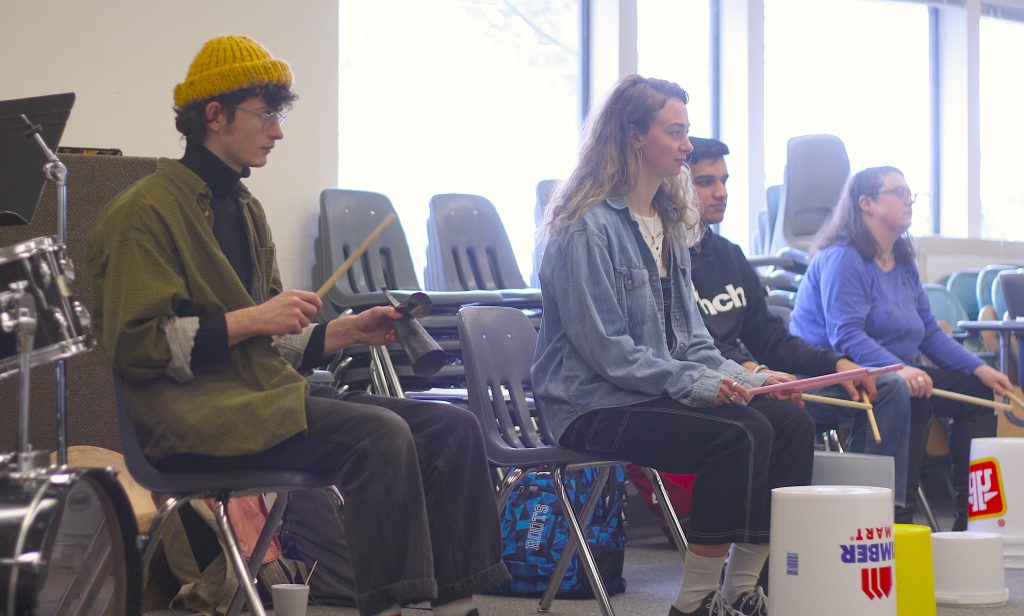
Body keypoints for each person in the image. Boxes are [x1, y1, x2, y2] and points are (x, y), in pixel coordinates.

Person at [84, 35, 508, 616]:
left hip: (262, 401)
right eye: (267, 114)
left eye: (279, 115)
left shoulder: (245, 208)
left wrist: (347, 331)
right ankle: (390, 608)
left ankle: (458, 602)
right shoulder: (144, 213)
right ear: (214, 114)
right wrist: (253, 317)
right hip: (194, 421)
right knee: (379, 437)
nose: (278, 131)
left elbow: (269, 343)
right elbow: (136, 348)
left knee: (452, 428)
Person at [532, 74, 814, 616]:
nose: (687, 145)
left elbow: (692, 341)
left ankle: (741, 592)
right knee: (740, 433)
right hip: (589, 404)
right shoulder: (584, 228)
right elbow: (609, 353)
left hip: (642, 392)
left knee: (789, 423)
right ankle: (694, 603)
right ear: (634, 135)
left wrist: (756, 380)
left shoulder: (667, 218)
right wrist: (708, 386)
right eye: (676, 131)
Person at [686, 137, 912, 508]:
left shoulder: (729, 255)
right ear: (677, 185)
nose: (721, 192)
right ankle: (777, 546)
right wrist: (756, 373)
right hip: (713, 389)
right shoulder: (666, 257)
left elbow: (771, 338)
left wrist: (837, 364)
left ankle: (878, 517)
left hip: (753, 381)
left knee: (885, 387)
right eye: (706, 182)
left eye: (724, 181)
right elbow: (693, 346)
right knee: (789, 418)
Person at [788, 165, 1013, 530]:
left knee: (978, 389)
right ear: (866, 203)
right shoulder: (843, 256)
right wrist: (900, 369)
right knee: (910, 390)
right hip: (836, 374)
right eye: (897, 192)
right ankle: (897, 517)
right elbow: (846, 335)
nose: (908, 200)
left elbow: (929, 332)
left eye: (910, 192)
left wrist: (980, 368)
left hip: (896, 371)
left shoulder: (903, 259)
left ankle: (970, 521)